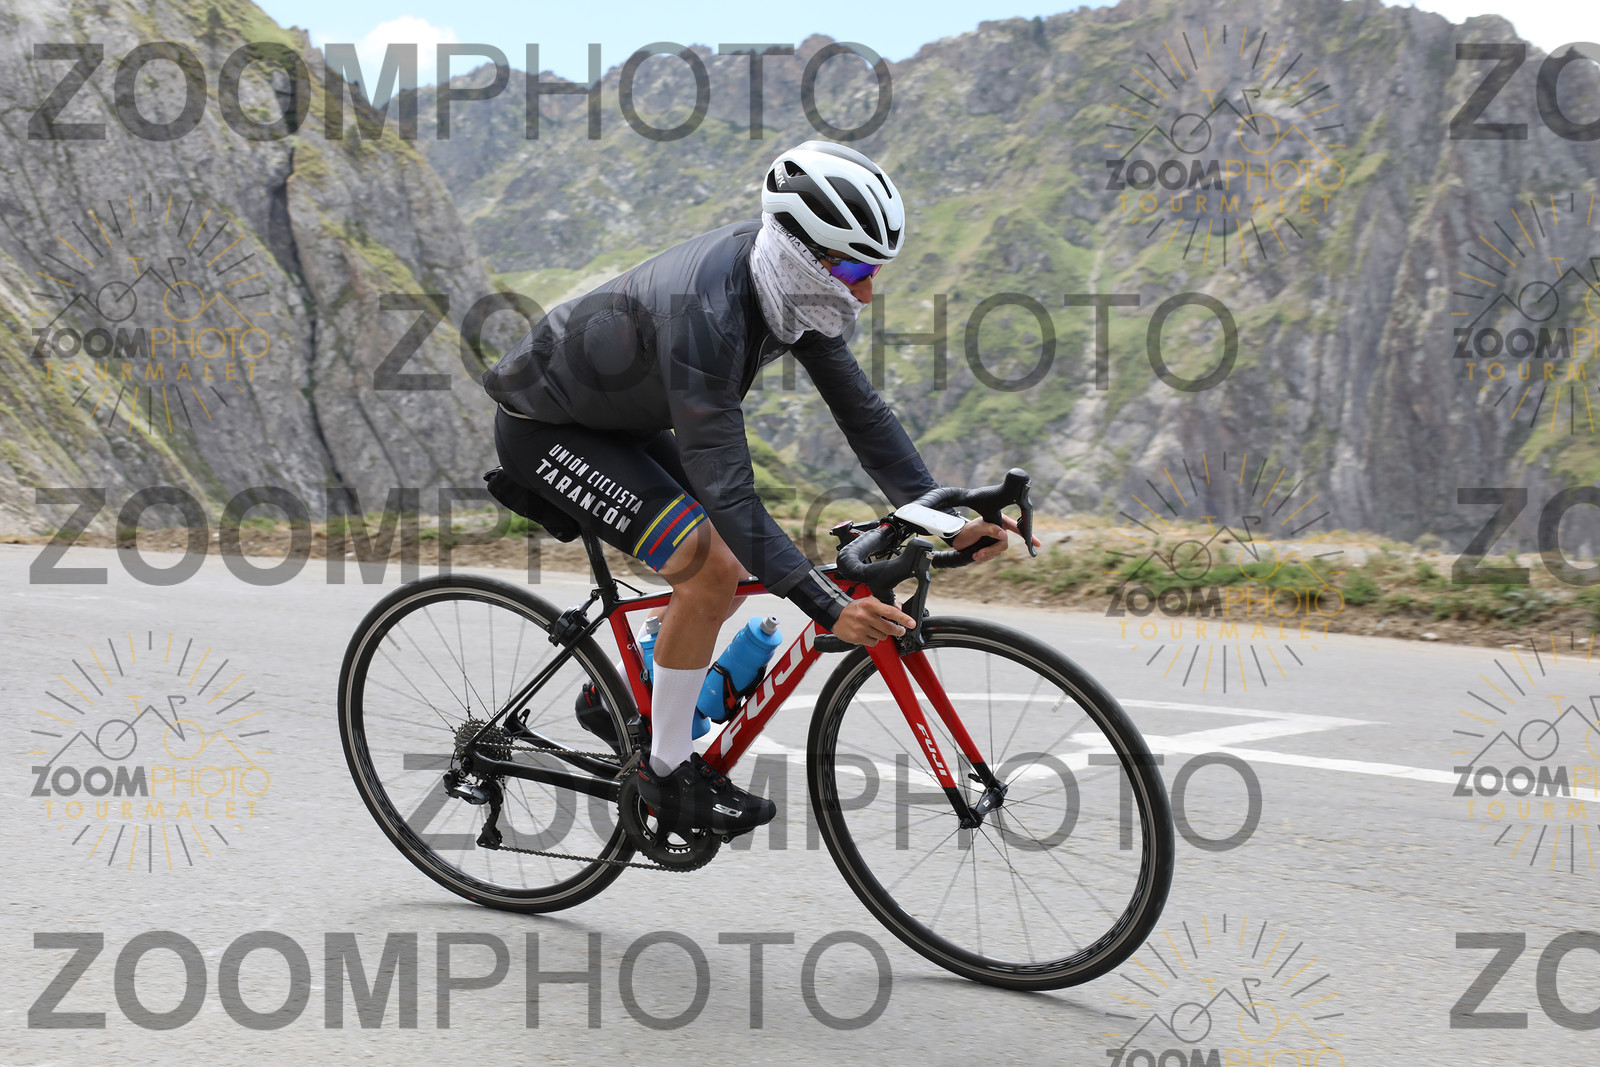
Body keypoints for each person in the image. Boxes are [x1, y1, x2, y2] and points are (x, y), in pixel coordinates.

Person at [483, 141, 1032, 839]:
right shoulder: (708, 317)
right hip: (546, 429)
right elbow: (730, 491)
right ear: (806, 252)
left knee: (735, 555)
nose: (865, 292)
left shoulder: (788, 282)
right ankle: (666, 775)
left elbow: (862, 413)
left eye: (875, 271)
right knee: (710, 565)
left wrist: (942, 516)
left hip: (619, 421)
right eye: (855, 269)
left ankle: (624, 689)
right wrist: (826, 605)